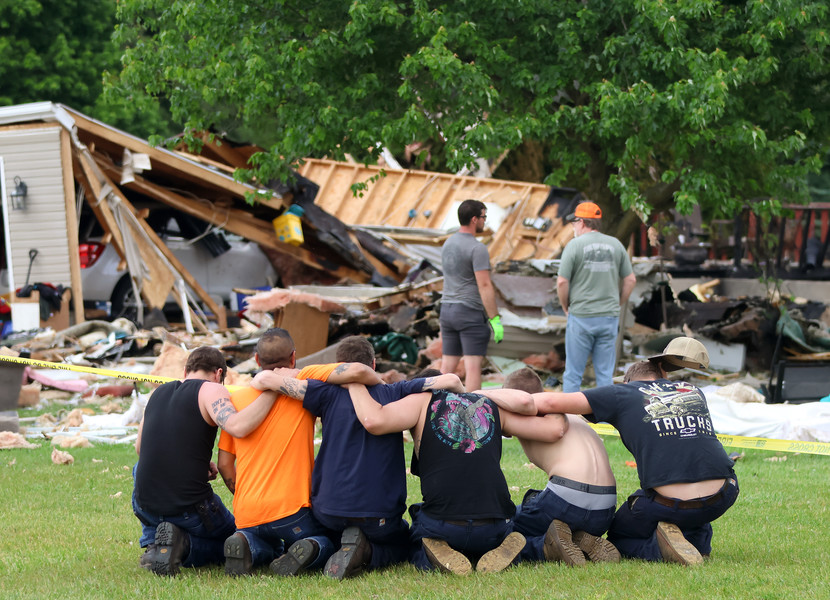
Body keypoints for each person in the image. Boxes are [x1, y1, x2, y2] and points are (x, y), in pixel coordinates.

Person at [251, 335, 465, 580]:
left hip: (328, 510)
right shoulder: (396, 391)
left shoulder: (322, 393)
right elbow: (450, 379)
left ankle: (321, 548)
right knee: (402, 544)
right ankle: (366, 552)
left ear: (337, 366)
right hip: (377, 514)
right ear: (373, 364)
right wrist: (467, 396)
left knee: (327, 535)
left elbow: (266, 379)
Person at [530, 337, 739, 565]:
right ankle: (697, 546)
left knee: (620, 535)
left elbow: (550, 402)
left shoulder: (623, 393)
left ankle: (659, 548)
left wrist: (499, 398)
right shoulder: (693, 390)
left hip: (670, 502)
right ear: (664, 374)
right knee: (694, 497)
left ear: (627, 382)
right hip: (724, 494)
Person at [345, 379, 569, 575]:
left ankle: (428, 556)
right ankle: (514, 548)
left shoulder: (421, 401)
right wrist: (558, 408)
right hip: (494, 525)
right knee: (508, 528)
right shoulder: (491, 406)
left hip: (443, 525)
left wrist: (353, 382)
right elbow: (553, 431)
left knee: (416, 523)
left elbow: (374, 420)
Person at [216, 328, 384, 576]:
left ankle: (246, 543)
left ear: (257, 360)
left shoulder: (236, 400)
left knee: (265, 545)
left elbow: (224, 464)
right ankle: (312, 546)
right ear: (293, 357)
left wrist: (243, 494)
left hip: (248, 511)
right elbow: (359, 371)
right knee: (328, 540)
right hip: (292, 511)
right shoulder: (305, 381)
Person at [132, 346, 279, 576]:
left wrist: (198, 463)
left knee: (137, 468)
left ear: (185, 371)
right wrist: (273, 391)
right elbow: (238, 426)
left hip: (146, 504)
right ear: (219, 373)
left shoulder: (157, 393)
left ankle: (157, 544)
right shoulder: (210, 389)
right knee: (238, 541)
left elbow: (141, 449)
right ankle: (184, 544)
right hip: (189, 507)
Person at [503, 368, 619, 566]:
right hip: (605, 511)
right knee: (535, 500)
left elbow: (501, 425)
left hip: (566, 502)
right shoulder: (573, 417)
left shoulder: (528, 419)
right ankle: (578, 540)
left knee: (505, 528)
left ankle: (546, 547)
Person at [557, 200, 636, 391]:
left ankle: (570, 417)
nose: (574, 227)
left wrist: (565, 306)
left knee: (573, 374)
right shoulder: (616, 245)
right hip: (608, 317)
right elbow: (630, 280)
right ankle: (605, 417)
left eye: (574, 223)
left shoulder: (574, 246)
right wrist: (617, 303)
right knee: (605, 374)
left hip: (581, 315)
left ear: (582, 222)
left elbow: (562, 281)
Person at [440, 198, 503, 392]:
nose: (485, 221)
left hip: (447, 311)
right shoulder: (478, 248)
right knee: (473, 368)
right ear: (474, 219)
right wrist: (495, 319)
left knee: (446, 368)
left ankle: (432, 406)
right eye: (484, 217)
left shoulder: (447, 244)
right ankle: (471, 414)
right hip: (469, 313)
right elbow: (484, 285)